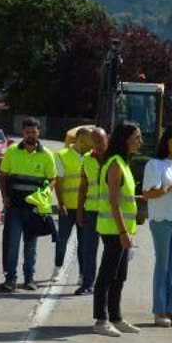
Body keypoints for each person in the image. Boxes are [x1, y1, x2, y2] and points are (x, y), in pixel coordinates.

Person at [0, 117, 61, 292]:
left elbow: (52, 178)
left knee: (30, 246)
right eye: (27, 132)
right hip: (14, 207)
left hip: (34, 209)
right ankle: (10, 279)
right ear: (22, 133)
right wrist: (5, 197)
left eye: (34, 132)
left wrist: (47, 191)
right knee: (12, 245)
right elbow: (3, 176)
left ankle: (29, 279)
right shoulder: (12, 151)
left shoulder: (47, 154)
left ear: (38, 132)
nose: (31, 135)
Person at [92, 123, 141, 337]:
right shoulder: (114, 164)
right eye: (136, 137)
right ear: (124, 139)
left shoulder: (124, 163)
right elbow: (113, 201)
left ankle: (116, 317)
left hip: (123, 229)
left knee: (120, 276)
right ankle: (101, 320)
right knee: (107, 275)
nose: (140, 141)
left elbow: (125, 199)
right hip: (113, 229)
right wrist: (122, 232)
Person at [142, 124, 172, 327]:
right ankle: (159, 310)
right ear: (166, 142)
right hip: (161, 218)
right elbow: (147, 194)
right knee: (162, 263)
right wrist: (168, 188)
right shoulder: (155, 165)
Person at [52, 125, 95, 289]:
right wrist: (61, 203)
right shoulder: (62, 155)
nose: (93, 143)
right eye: (91, 139)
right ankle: (57, 268)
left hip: (86, 207)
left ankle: (83, 274)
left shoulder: (92, 156)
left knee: (84, 243)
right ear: (81, 140)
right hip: (68, 207)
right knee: (62, 239)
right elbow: (59, 183)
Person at [73, 126, 106, 295]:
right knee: (88, 249)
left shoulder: (114, 159)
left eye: (101, 140)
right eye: (95, 141)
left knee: (111, 251)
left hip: (110, 212)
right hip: (91, 210)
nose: (98, 144)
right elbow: (83, 187)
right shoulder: (86, 159)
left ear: (106, 139)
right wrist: (80, 211)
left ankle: (106, 284)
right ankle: (87, 283)